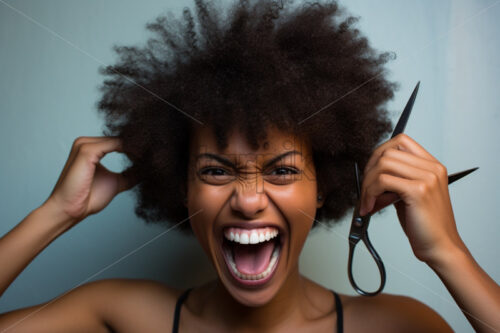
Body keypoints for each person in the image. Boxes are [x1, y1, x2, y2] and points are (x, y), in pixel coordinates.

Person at [0, 0, 499, 332]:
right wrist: (56, 214)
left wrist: (448, 253)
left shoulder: (398, 325)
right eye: (216, 171)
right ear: (183, 189)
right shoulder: (122, 315)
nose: (248, 199)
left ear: (323, 186)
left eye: (281, 171)